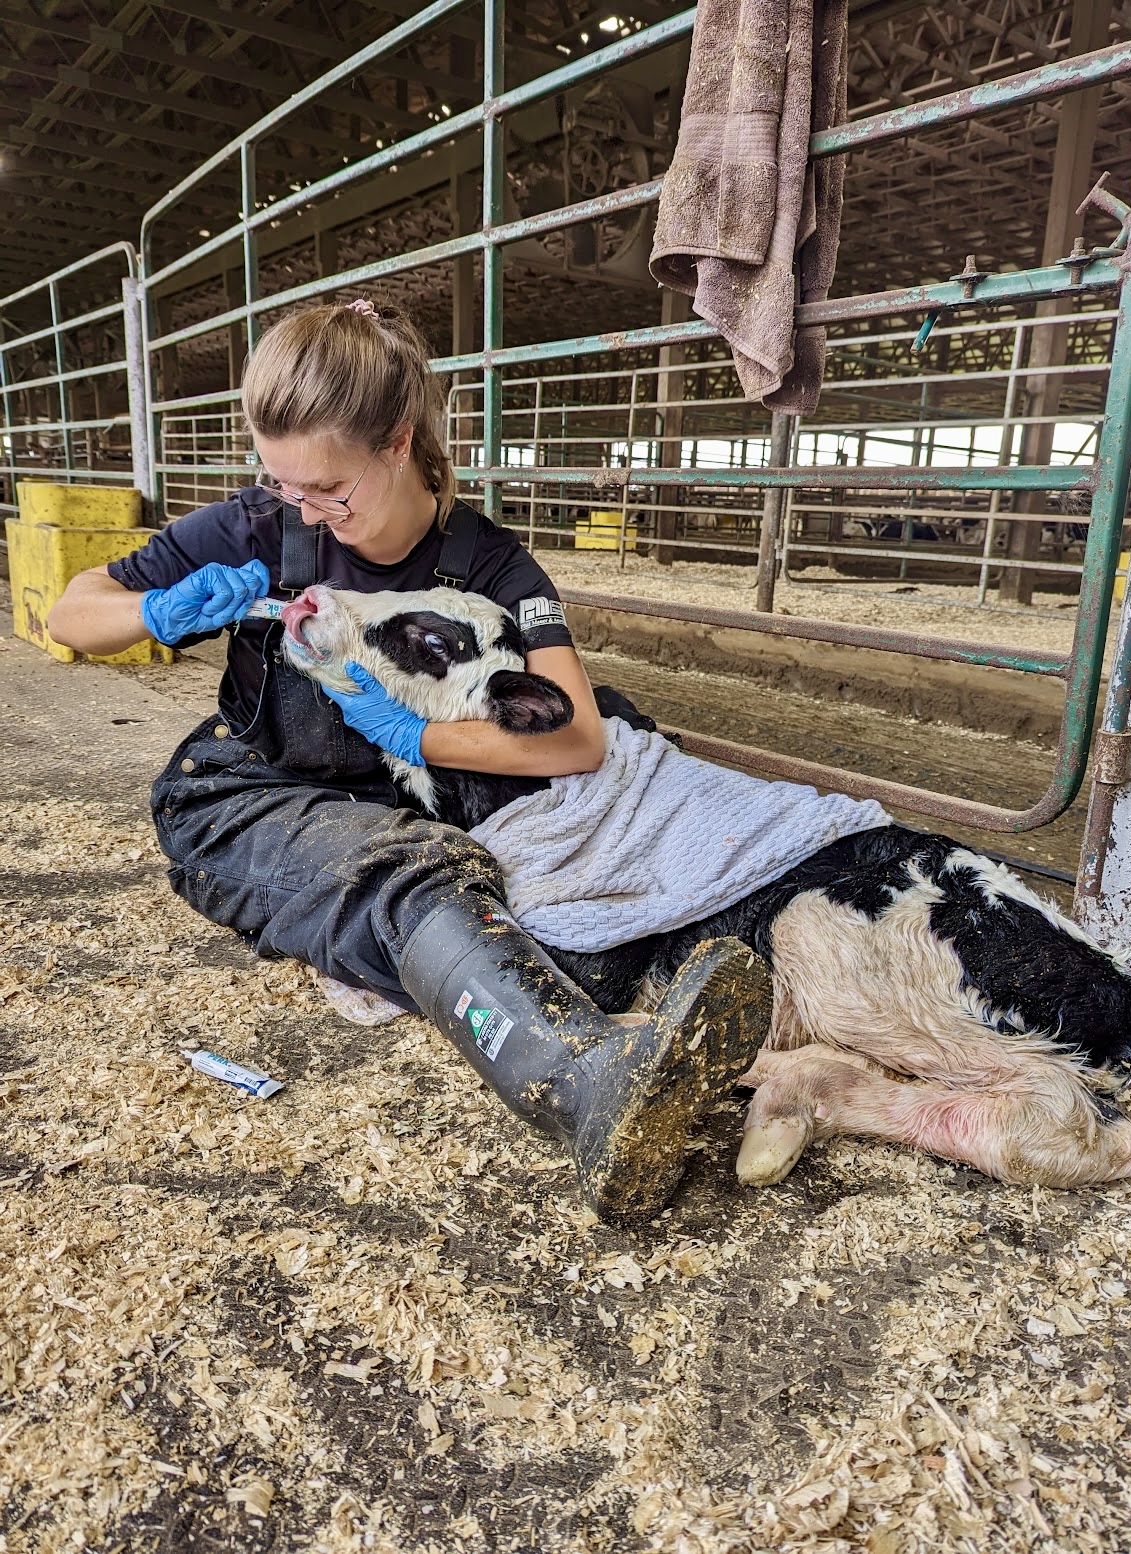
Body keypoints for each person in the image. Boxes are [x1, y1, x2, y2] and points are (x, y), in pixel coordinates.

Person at [47, 299, 769, 1221]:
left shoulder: (490, 567)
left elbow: (579, 735)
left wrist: (412, 736)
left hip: (424, 782)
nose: (302, 507)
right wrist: (150, 614)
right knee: (411, 877)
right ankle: (581, 1081)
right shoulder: (263, 527)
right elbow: (70, 612)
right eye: (280, 483)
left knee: (628, 745)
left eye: (327, 490)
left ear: (396, 442)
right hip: (258, 795)